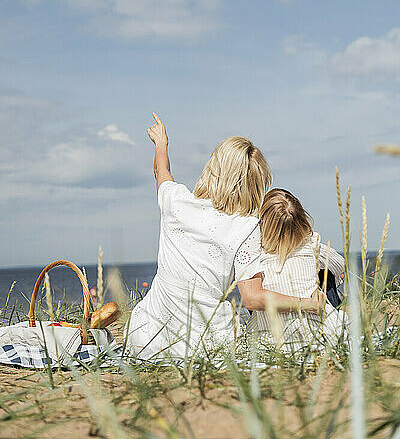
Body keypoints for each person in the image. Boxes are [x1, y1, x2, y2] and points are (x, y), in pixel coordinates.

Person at [125, 115, 323, 361]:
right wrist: (308, 304)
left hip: (147, 340)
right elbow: (252, 298)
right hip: (202, 348)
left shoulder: (176, 202)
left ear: (212, 168)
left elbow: (161, 172)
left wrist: (161, 143)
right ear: (254, 184)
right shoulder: (247, 228)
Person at [248, 188, 348, 350]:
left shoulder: (255, 253)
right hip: (317, 337)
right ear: (301, 218)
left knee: (255, 285)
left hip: (270, 342)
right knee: (326, 275)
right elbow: (338, 265)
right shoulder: (310, 245)